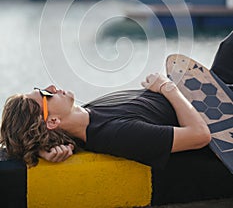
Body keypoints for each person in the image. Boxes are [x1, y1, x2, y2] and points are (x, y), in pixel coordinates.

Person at [0, 71, 211, 169]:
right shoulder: (117, 134)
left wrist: (41, 147)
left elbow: (17, 139)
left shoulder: (87, 115)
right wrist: (167, 87)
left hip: (203, 92)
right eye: (45, 94)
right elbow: (200, 136)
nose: (52, 87)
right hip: (213, 111)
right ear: (52, 121)